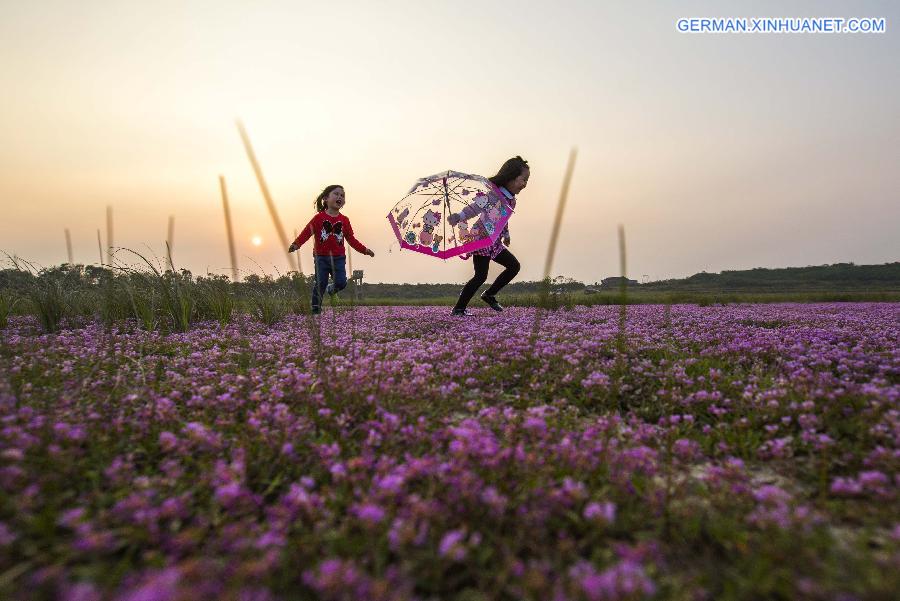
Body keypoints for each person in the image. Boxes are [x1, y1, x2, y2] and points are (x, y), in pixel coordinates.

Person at [448, 156, 528, 315]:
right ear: (510, 178)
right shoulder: (493, 195)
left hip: (495, 242)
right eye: (523, 179)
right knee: (480, 276)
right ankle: (459, 309)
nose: (525, 184)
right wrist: (459, 216)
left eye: (527, 180)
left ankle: (490, 294)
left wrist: (506, 234)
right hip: (481, 239)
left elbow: (503, 219)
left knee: (514, 266)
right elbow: (474, 208)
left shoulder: (512, 201)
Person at [288, 185, 375, 314]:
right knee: (320, 283)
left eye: (342, 195)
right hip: (321, 257)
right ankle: (316, 309)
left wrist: (364, 250)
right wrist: (296, 244)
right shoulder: (318, 218)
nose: (340, 197)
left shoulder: (344, 220)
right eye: (336, 194)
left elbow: (351, 239)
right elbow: (306, 233)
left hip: (338, 258)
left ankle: (332, 289)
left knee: (341, 282)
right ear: (325, 199)